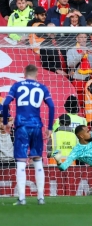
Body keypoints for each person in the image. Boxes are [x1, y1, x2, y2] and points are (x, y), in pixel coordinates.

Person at [2, 64, 55, 205]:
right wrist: (49, 127)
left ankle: (22, 198)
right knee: (37, 160)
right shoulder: (42, 87)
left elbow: (6, 103)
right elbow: (51, 106)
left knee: (21, 161)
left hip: (21, 127)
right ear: (37, 73)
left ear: (24, 73)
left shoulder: (17, 86)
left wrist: (6, 121)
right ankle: (41, 197)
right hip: (37, 126)